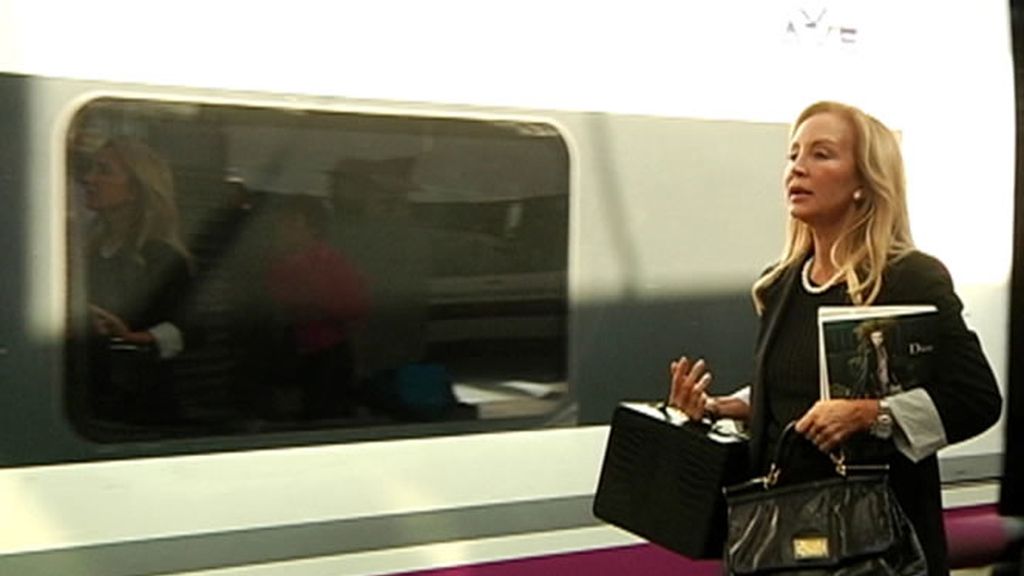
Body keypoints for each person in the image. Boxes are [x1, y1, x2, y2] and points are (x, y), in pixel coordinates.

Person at [667, 101, 1002, 575]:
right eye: (793, 154)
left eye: (821, 154)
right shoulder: (780, 285)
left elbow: (976, 398)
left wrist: (870, 414)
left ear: (864, 182)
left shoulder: (910, 277)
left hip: (877, 550)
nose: (797, 168)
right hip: (783, 542)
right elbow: (799, 388)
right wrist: (721, 407)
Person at [80, 137, 193, 424]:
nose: (89, 179)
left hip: (139, 407)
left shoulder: (162, 257)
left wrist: (135, 338)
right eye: (91, 168)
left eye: (104, 171)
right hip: (88, 396)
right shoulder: (87, 251)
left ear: (135, 189)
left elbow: (190, 329)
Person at [263, 194, 369, 420]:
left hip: (327, 358)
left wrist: (317, 307)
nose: (283, 229)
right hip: (287, 356)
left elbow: (356, 306)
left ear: (311, 227)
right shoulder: (276, 263)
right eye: (282, 222)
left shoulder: (331, 262)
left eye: (291, 222)